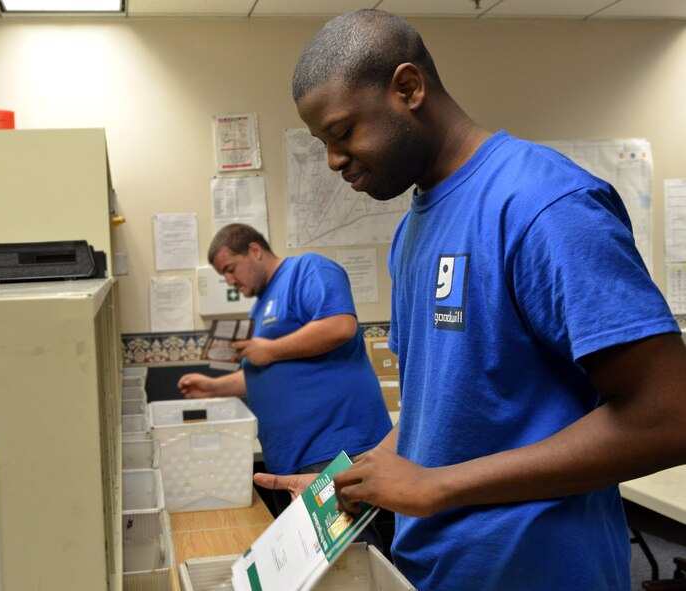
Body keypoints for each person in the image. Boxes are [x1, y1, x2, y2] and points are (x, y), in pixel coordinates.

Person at [254, 9, 686, 591]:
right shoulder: (412, 231)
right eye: (323, 142)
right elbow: (440, 411)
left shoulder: (543, 204)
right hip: (435, 568)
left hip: (538, 573)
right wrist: (352, 479)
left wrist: (440, 487)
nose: (333, 160)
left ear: (408, 88)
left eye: (342, 132)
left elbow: (668, 417)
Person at [177, 223, 392, 521]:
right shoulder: (258, 309)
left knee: (349, 557)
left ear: (254, 251)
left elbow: (340, 325)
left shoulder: (307, 270)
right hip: (289, 461)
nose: (229, 281)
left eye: (230, 268)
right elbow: (262, 375)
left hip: (333, 450)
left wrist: (271, 350)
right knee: (315, 562)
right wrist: (212, 387)